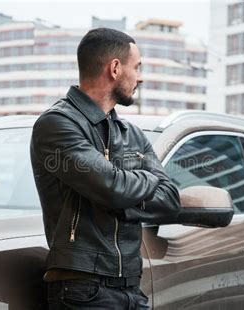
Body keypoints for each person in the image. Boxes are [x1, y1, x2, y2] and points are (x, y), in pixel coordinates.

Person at [30, 27, 181, 309]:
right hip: (83, 289)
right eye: (136, 67)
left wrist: (120, 194)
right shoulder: (58, 124)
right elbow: (112, 187)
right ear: (114, 68)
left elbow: (170, 199)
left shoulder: (132, 134)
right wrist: (144, 179)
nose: (141, 77)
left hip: (132, 288)